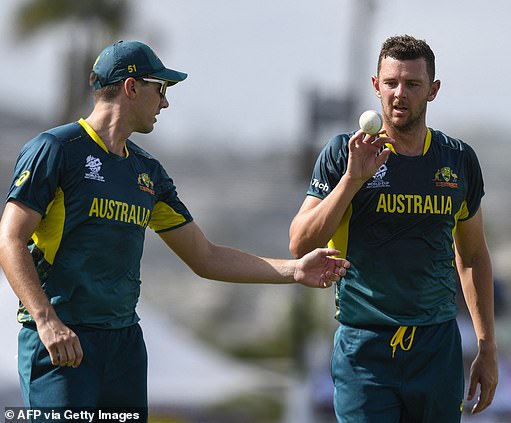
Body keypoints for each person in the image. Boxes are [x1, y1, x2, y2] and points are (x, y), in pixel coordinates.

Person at [0, 40, 349, 419]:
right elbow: (10, 238)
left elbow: (205, 256)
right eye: (160, 88)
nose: (165, 102)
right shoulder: (56, 149)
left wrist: (295, 270)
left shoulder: (147, 173)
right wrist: (46, 320)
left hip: (124, 346)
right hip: (63, 341)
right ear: (131, 87)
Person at [289, 34, 498, 422]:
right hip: (364, 347)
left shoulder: (458, 160)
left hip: (436, 348)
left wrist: (487, 348)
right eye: (391, 83)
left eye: (412, 84)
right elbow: (300, 243)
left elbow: (471, 256)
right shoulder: (343, 153)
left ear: (433, 91)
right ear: (375, 86)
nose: (399, 94)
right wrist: (352, 180)